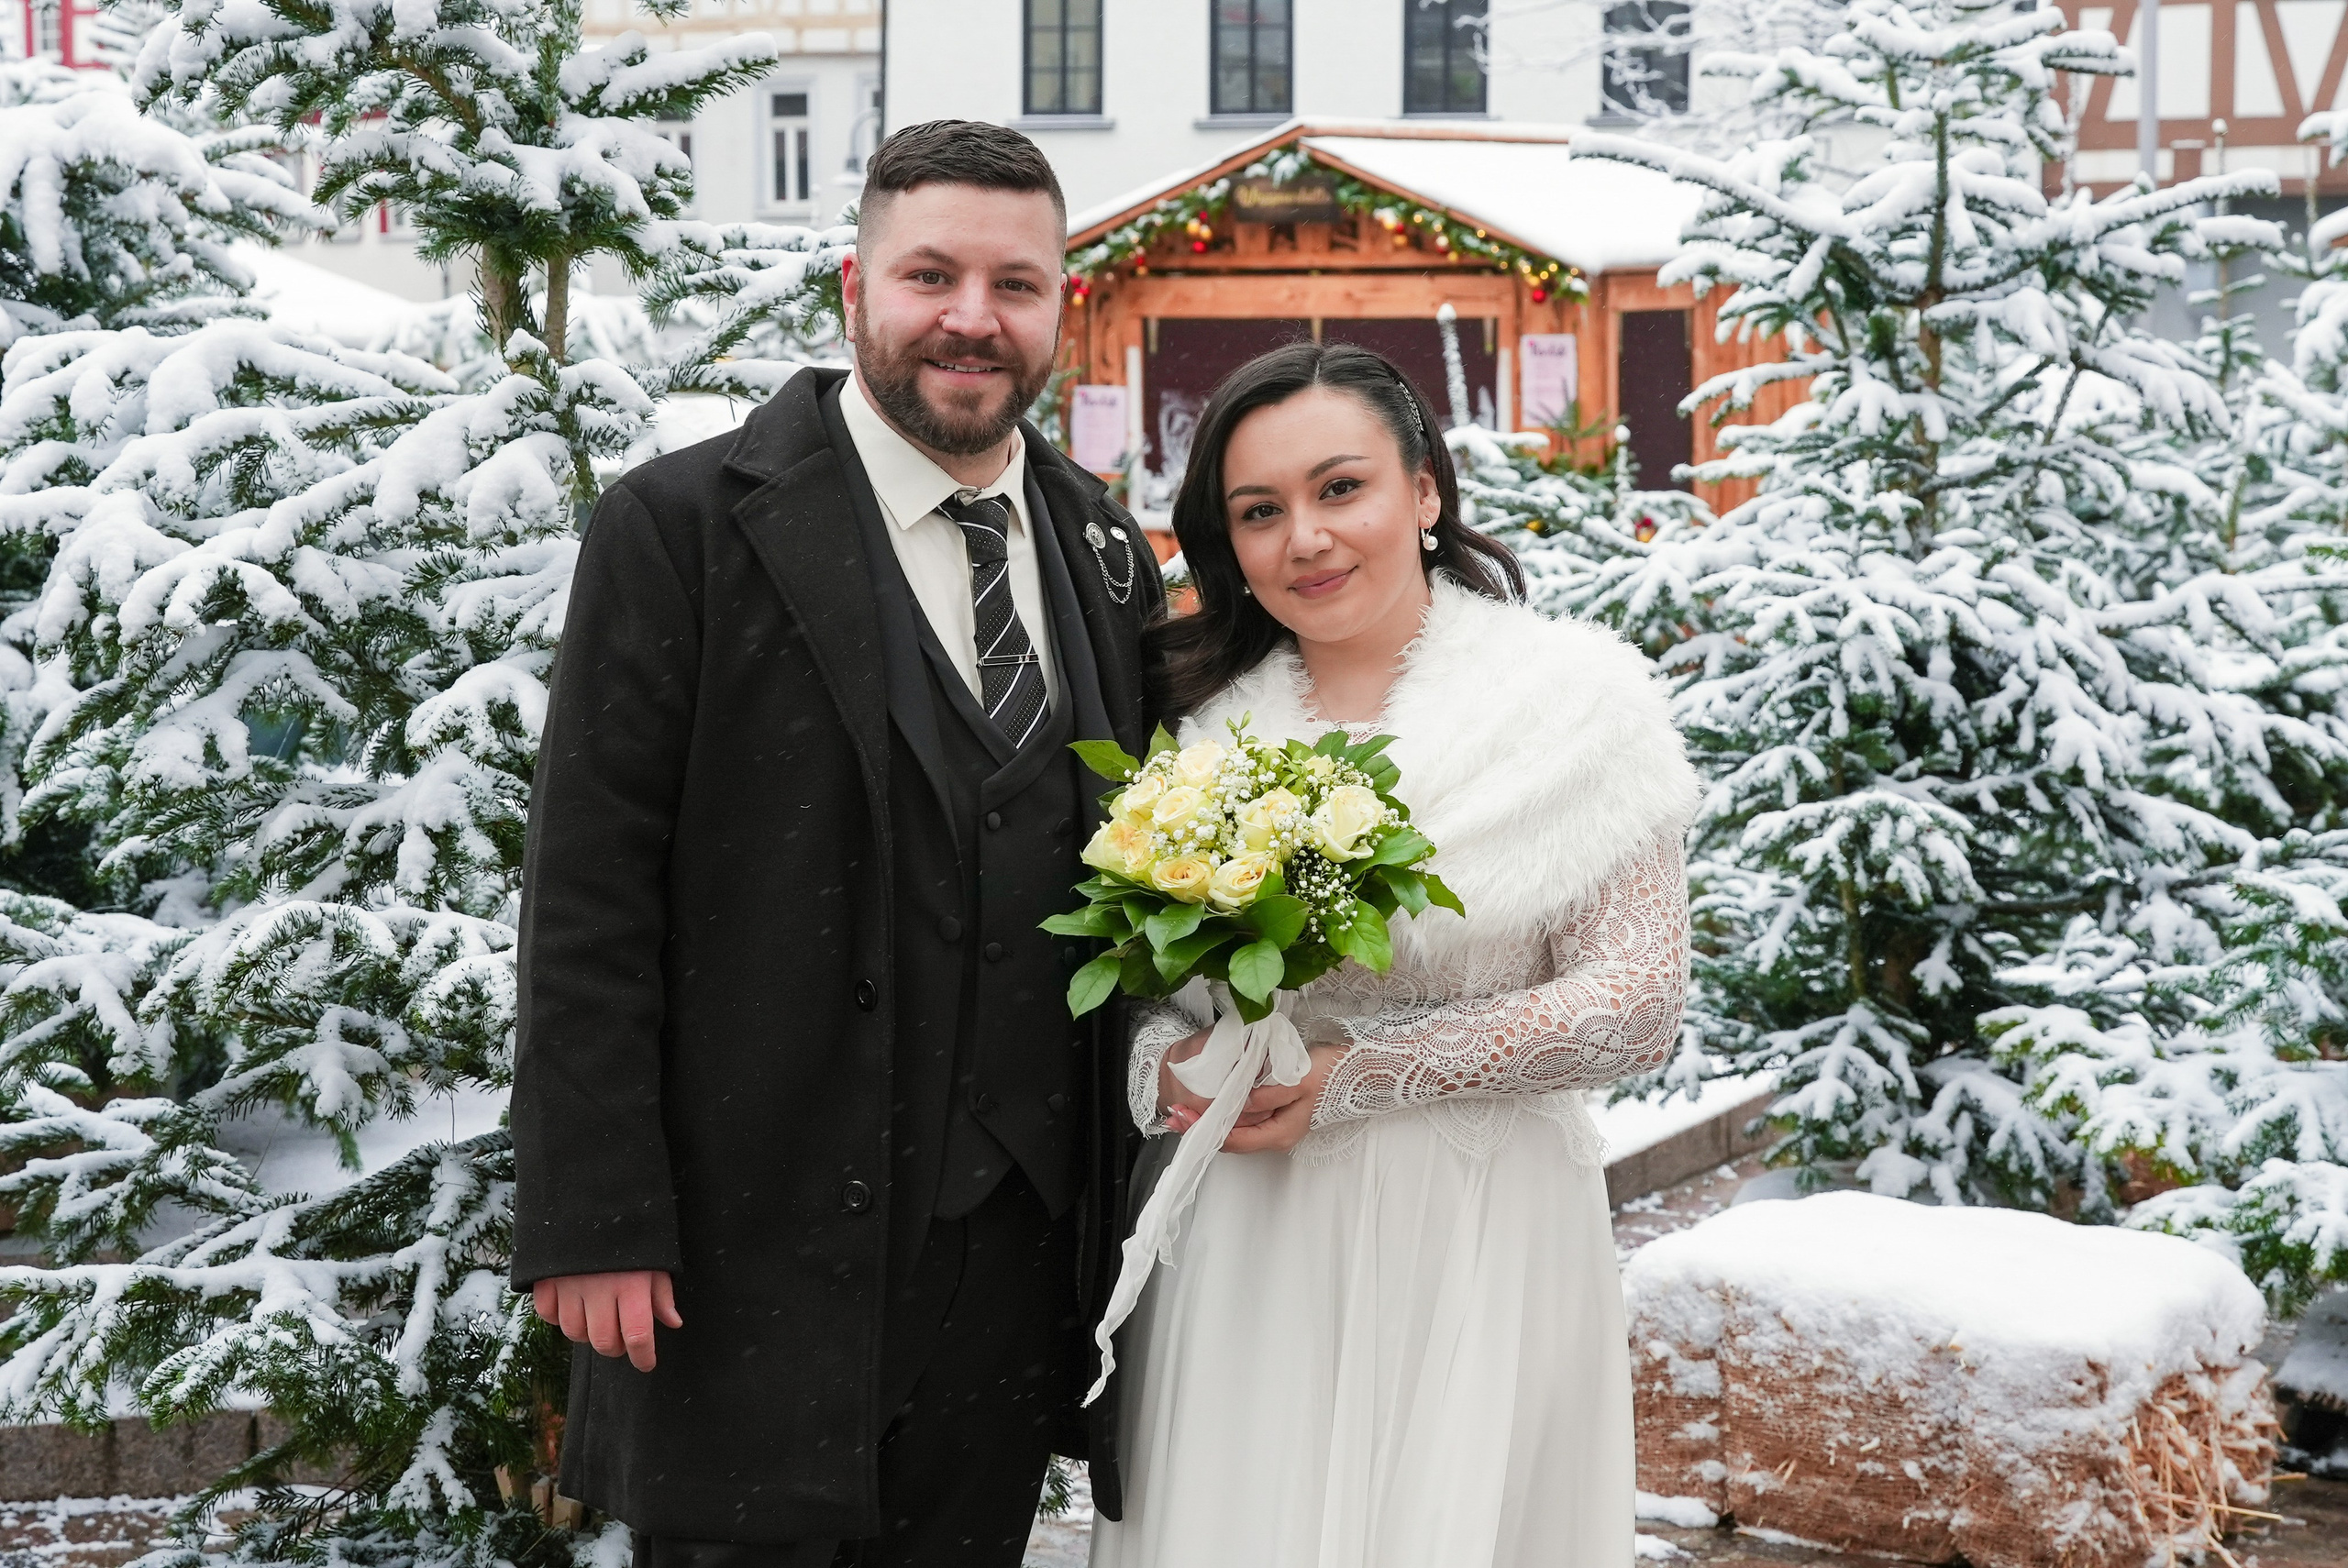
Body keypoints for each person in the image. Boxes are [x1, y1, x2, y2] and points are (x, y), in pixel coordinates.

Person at [508, 120, 1166, 1567]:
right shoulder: (681, 527)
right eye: (931, 273)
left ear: (1064, 303)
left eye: (1016, 283)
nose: (972, 319)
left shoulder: (1103, 548)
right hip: (753, 1242)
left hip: (1013, 1259)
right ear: (852, 287)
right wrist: (594, 1210)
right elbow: (587, 891)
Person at [1090, 341, 1698, 1567]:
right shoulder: (1193, 725)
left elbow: (1638, 1002)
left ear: (1424, 492)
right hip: (1251, 1241)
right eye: (1258, 512)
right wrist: (1164, 1063)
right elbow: (1136, 997)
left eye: (1339, 488)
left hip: (1481, 1234)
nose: (1303, 537)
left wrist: (1354, 1074)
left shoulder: (1575, 706)